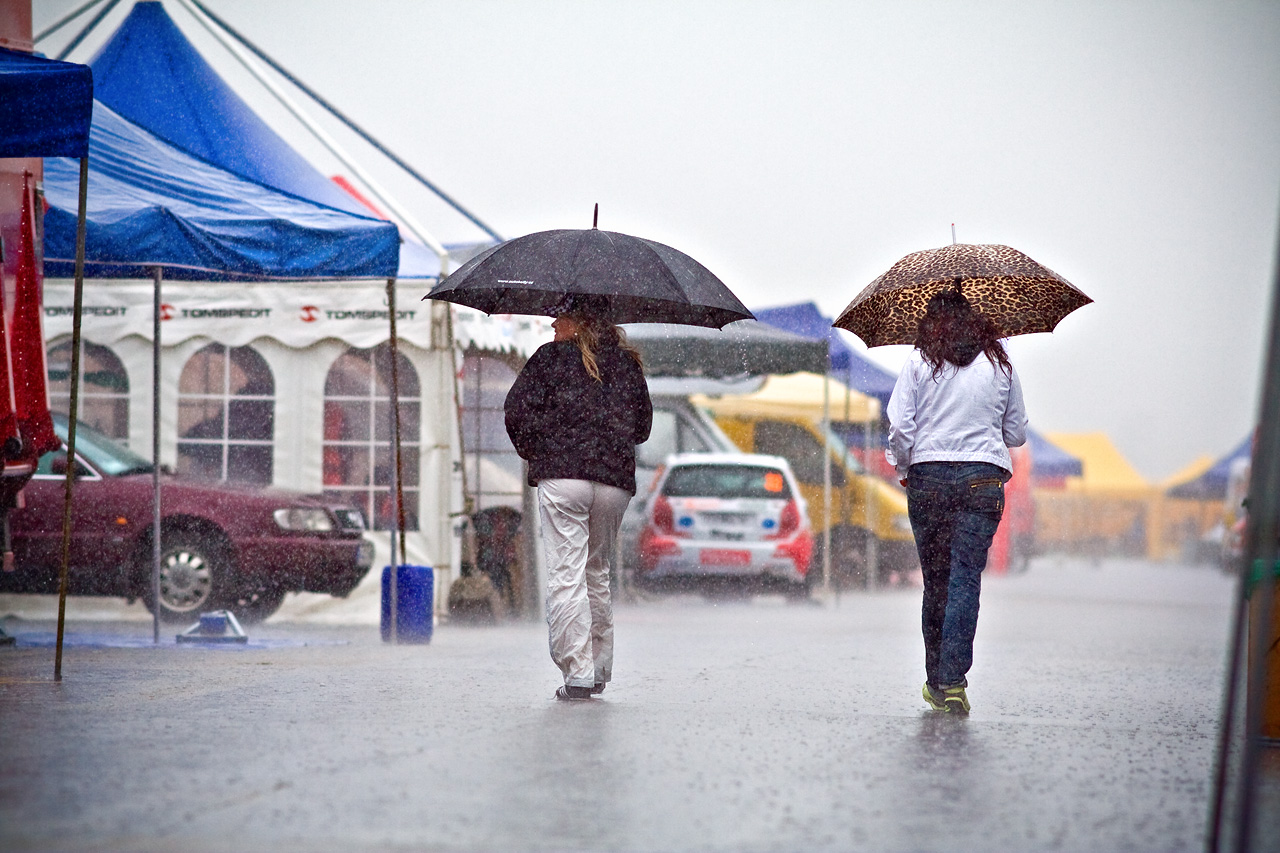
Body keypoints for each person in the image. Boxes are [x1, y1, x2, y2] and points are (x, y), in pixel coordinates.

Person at [886, 287, 1027, 713]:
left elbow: (899, 428)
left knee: (937, 582)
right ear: (978, 321)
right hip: (982, 481)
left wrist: (904, 466)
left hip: (927, 479)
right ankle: (952, 683)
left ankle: (935, 678)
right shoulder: (999, 364)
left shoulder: (918, 362)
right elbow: (1016, 432)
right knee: (966, 578)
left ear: (930, 322)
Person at [504, 294, 652, 701]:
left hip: (562, 476)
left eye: (560, 318)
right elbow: (642, 429)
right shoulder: (628, 366)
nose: (553, 325)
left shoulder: (548, 360)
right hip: (613, 482)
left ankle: (578, 672)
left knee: (566, 574)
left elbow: (515, 412)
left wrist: (538, 449)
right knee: (596, 572)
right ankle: (601, 665)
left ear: (579, 323)